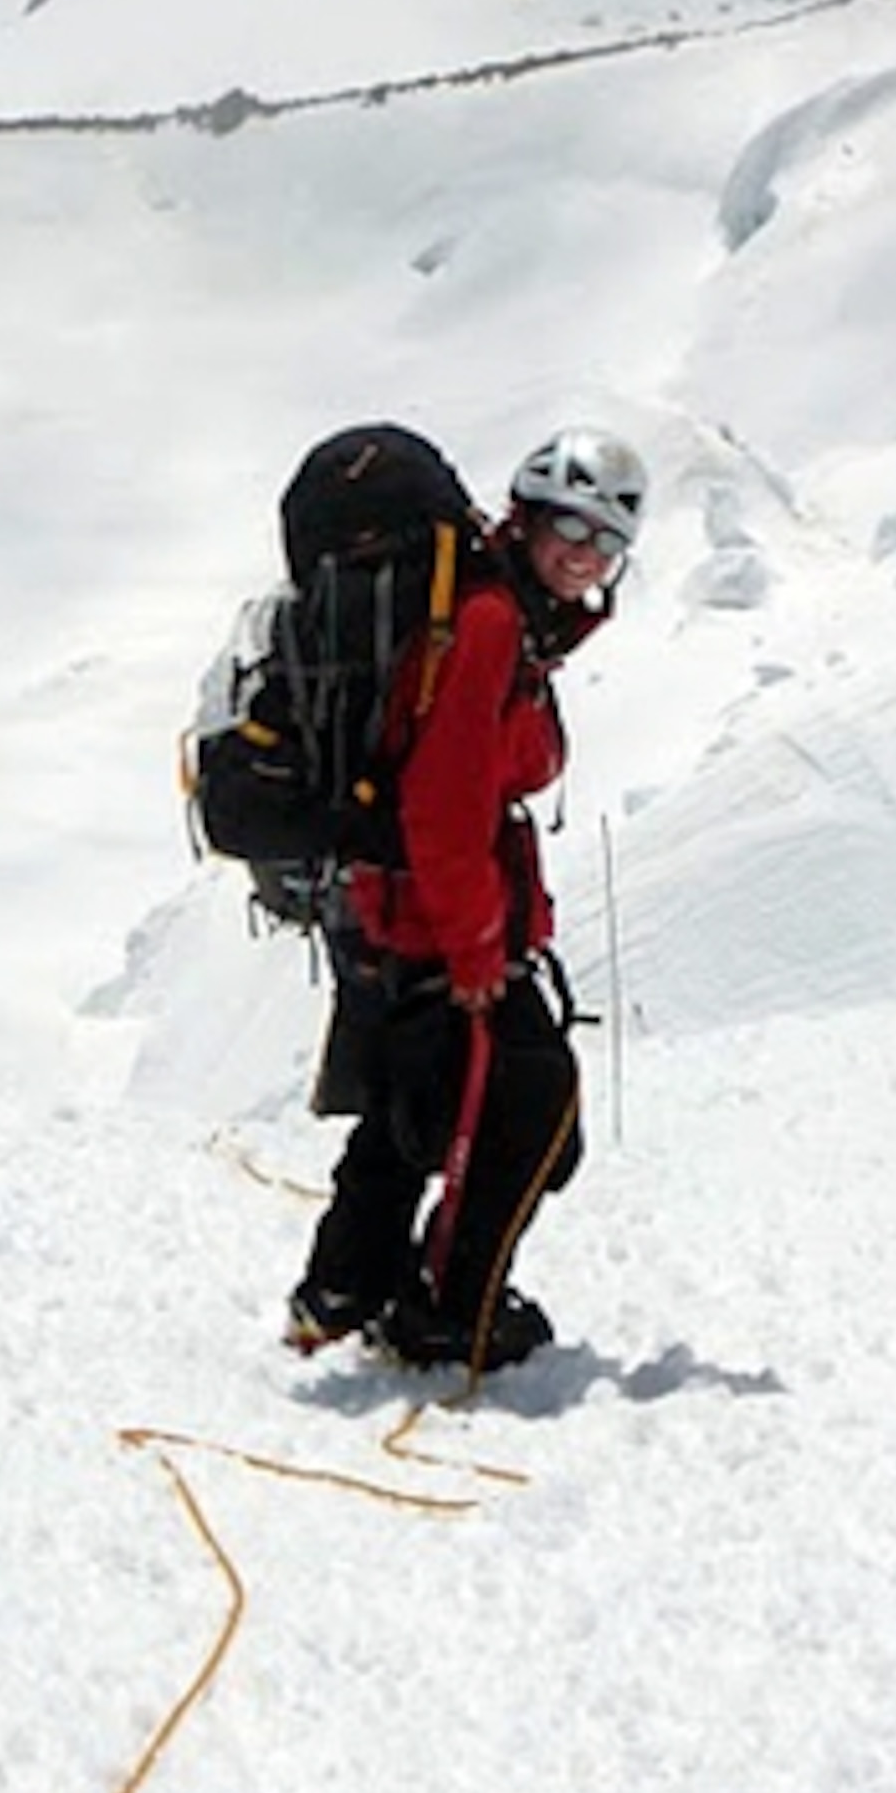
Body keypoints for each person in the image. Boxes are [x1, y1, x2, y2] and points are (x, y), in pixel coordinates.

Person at [285, 426, 648, 1378]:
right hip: (437, 916)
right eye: (571, 526)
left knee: (418, 1095)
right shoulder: (488, 624)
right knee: (532, 1107)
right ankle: (453, 1312)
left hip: (405, 905)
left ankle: (342, 1288)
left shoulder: (497, 613)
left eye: (607, 541)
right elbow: (443, 802)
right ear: (526, 517)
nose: (585, 554)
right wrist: (478, 947)